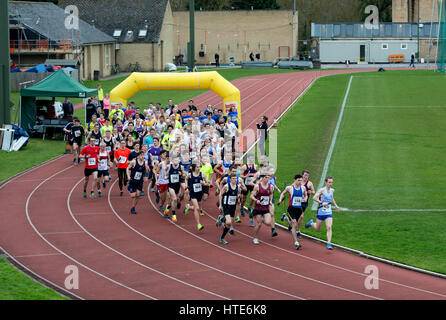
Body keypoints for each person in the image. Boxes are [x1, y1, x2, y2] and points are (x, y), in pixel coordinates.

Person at [305, 176, 340, 250]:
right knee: (317, 228)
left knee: (329, 227)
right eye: (329, 182)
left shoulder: (332, 190)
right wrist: (321, 202)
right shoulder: (322, 190)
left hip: (328, 212)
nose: (331, 184)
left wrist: (336, 205)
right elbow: (314, 197)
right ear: (326, 182)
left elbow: (332, 198)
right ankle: (311, 223)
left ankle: (329, 244)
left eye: (332, 182)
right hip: (321, 212)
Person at [278, 174, 307, 250]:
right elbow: (283, 193)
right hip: (291, 209)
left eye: (301, 180)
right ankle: (296, 242)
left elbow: (305, 195)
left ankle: (285, 217)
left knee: (293, 224)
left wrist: (305, 199)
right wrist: (280, 199)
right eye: (298, 180)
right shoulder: (290, 188)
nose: (300, 182)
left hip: (299, 209)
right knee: (294, 224)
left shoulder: (303, 188)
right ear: (295, 180)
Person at [216, 173, 247, 244]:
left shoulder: (238, 187)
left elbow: (239, 195)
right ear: (230, 179)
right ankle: (222, 238)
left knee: (229, 224)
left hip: (233, 206)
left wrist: (238, 197)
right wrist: (220, 205)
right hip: (226, 205)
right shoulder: (226, 186)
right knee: (229, 222)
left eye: (236, 178)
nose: (235, 180)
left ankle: (222, 221)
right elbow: (221, 194)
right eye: (233, 178)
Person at [250, 173, 276, 244]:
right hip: (258, 208)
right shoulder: (257, 186)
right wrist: (256, 200)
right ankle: (255, 237)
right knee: (259, 224)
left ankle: (260, 219)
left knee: (268, 222)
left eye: (268, 177)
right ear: (262, 178)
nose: (267, 179)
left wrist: (270, 200)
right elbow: (251, 196)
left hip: (265, 208)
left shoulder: (270, 186)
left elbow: (271, 193)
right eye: (266, 177)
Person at [185, 163, 206, 231]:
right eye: (197, 167)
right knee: (197, 208)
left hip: (199, 193)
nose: (198, 168)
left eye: (199, 167)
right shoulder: (190, 175)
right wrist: (186, 187)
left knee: (198, 208)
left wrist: (203, 183)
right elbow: (186, 179)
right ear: (194, 168)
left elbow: (207, 182)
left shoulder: (202, 175)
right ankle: (199, 224)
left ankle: (188, 207)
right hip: (193, 193)